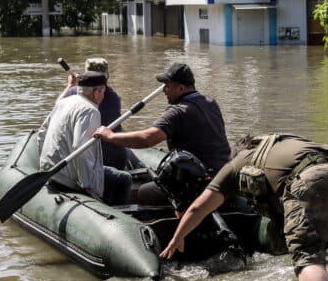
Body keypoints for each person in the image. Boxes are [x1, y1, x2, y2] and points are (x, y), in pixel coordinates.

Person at [159, 133, 328, 281]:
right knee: (315, 247)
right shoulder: (278, 144)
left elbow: (198, 207)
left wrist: (177, 238)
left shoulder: (237, 163)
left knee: (306, 255)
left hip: (310, 179)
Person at [93, 62, 230, 206]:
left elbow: (147, 139)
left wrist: (110, 135)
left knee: (143, 193)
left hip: (197, 181)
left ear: (181, 88)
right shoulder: (210, 102)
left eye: (168, 86)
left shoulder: (178, 112)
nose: (164, 90)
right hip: (221, 175)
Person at [38, 71, 132, 203]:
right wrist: (88, 186)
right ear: (96, 92)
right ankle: (119, 214)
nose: (103, 96)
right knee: (123, 179)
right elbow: (81, 149)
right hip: (69, 177)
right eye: (103, 92)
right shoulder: (90, 110)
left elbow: (41, 134)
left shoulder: (63, 102)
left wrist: (45, 168)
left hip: (52, 172)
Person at [58, 57, 129, 170]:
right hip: (111, 160)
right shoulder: (113, 97)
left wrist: (71, 86)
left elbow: (57, 109)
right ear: (107, 75)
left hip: (95, 161)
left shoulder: (74, 92)